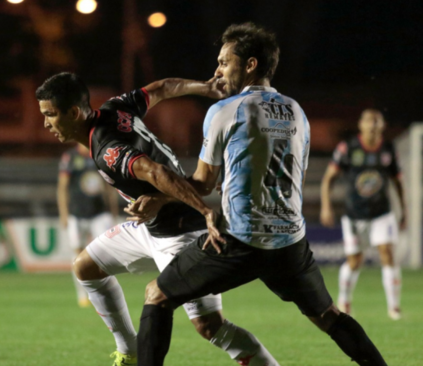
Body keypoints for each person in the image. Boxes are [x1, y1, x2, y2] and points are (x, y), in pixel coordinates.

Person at [129, 23, 388, 366]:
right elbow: (295, 174)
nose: (217, 70)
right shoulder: (297, 111)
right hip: (289, 242)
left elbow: (203, 184)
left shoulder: (224, 111)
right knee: (328, 316)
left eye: (224, 62)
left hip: (240, 240)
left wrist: (159, 199)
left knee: (157, 294)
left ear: (250, 65)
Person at [36, 73, 279, 366]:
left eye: (50, 115)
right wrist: (205, 88)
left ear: (73, 113)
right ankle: (129, 351)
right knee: (86, 267)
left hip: (181, 235)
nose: (46, 123)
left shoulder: (107, 151)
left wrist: (204, 211)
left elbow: (156, 173)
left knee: (210, 327)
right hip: (148, 228)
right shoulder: (116, 108)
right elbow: (162, 88)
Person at [320, 109, 406, 320]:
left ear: (383, 126)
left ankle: (394, 308)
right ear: (361, 125)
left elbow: (397, 181)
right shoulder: (348, 148)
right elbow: (328, 178)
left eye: (377, 121)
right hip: (354, 214)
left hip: (381, 213)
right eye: (369, 121)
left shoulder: (388, 149)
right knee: (355, 260)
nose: (373, 125)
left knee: (387, 253)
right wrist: (326, 206)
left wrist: (403, 210)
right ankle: (344, 301)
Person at [58, 143, 119, 307]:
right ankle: (82, 295)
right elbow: (62, 186)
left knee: (105, 251)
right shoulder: (70, 157)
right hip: (76, 214)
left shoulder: (99, 155)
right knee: (78, 253)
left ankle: (105, 292)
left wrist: (113, 210)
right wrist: (64, 213)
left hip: (99, 212)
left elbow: (108, 185)